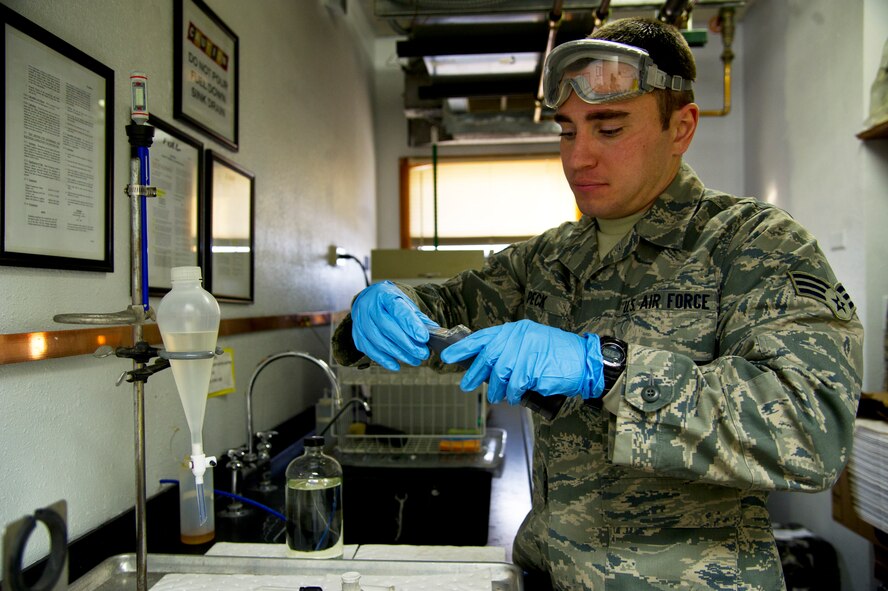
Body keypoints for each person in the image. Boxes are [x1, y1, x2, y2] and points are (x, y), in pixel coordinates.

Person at [332, 16, 863, 591]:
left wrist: (606, 369)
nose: (577, 158)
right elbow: (447, 304)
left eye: (608, 129)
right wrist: (384, 302)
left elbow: (812, 432)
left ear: (681, 128)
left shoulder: (753, 245)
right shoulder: (548, 259)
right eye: (567, 130)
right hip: (550, 574)